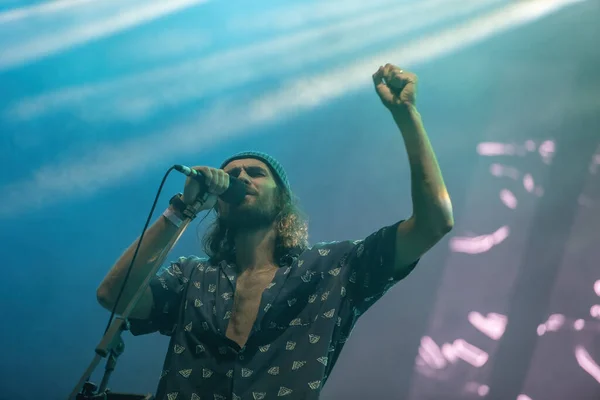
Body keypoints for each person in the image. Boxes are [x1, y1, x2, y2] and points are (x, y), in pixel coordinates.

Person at [96, 63, 454, 400]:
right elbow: (113, 295)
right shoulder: (190, 277)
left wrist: (406, 115)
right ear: (218, 204)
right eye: (232, 175)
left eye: (255, 172)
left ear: (281, 197)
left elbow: (434, 222)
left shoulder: (332, 268)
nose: (241, 179)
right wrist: (180, 210)